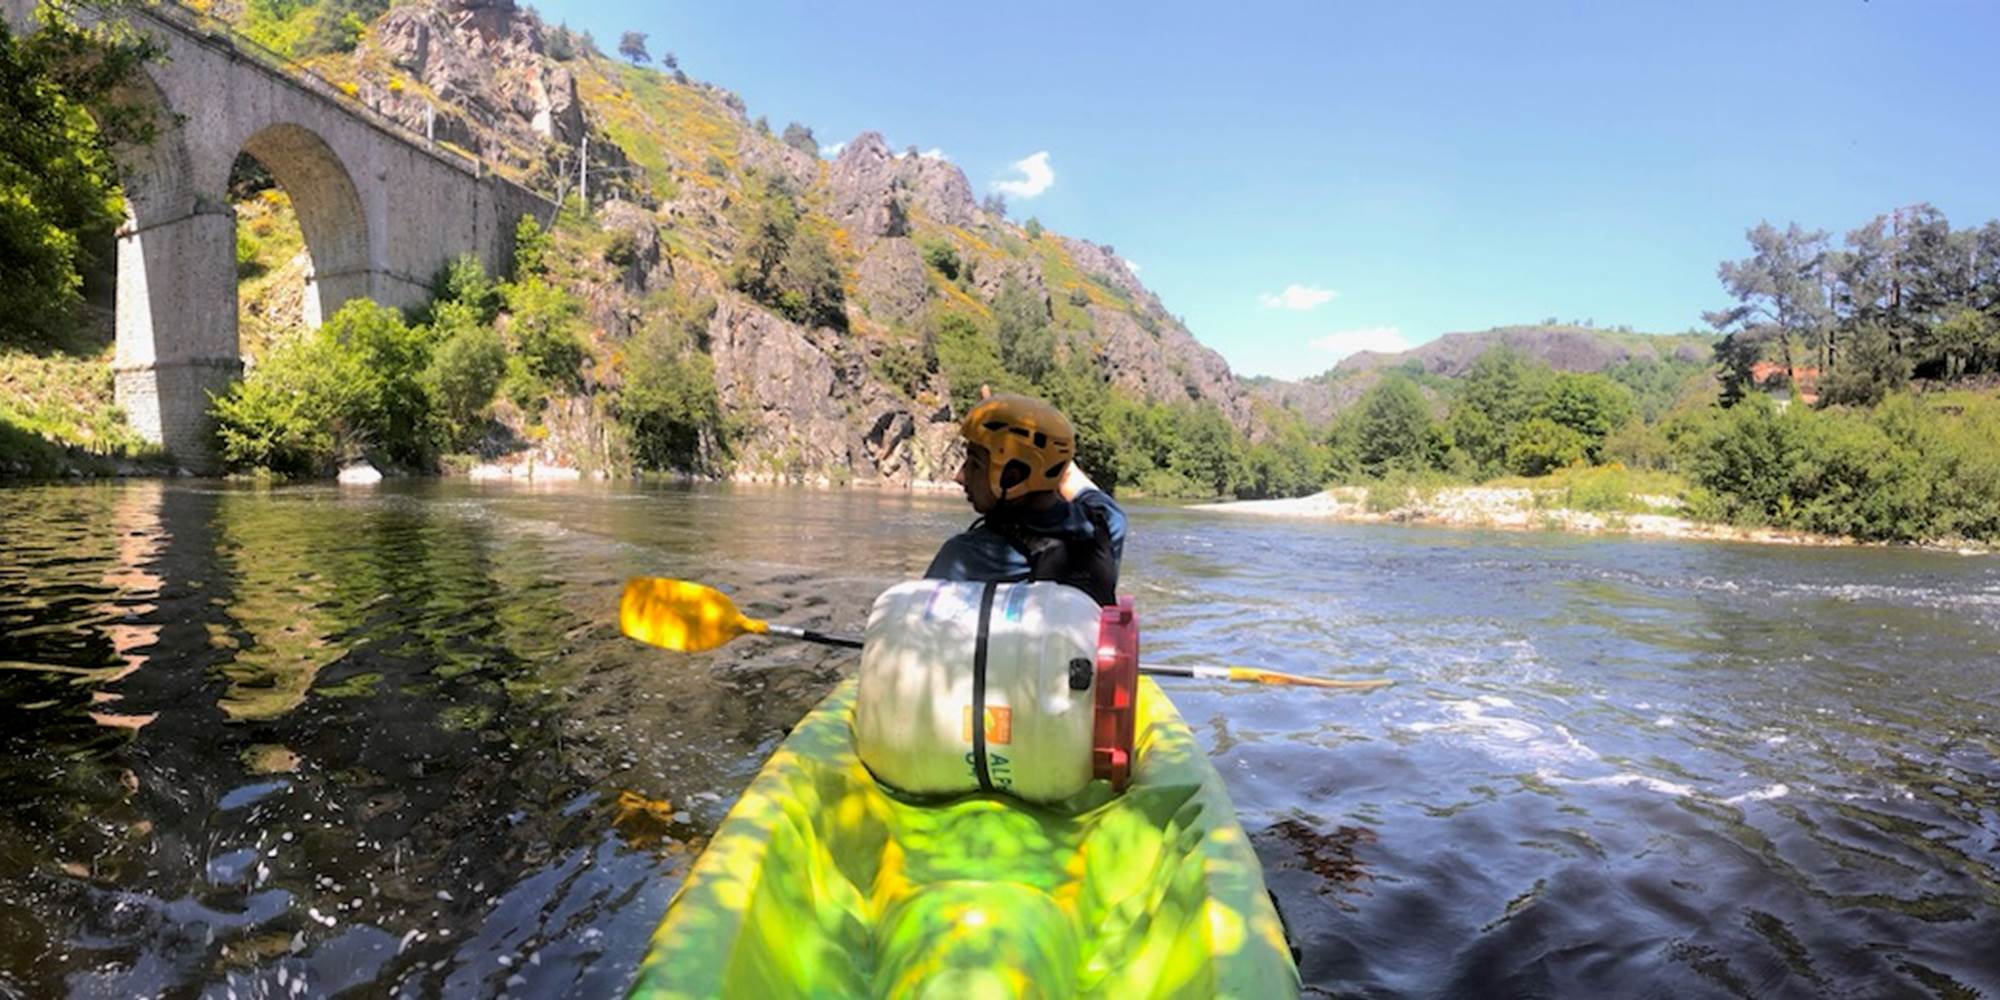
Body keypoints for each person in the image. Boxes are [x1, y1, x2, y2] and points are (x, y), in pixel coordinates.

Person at [924, 392, 1126, 606]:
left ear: (1012, 478)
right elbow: (1068, 474)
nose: (960, 476)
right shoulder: (1107, 522)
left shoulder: (965, 556)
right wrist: (1024, 448)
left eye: (974, 463)